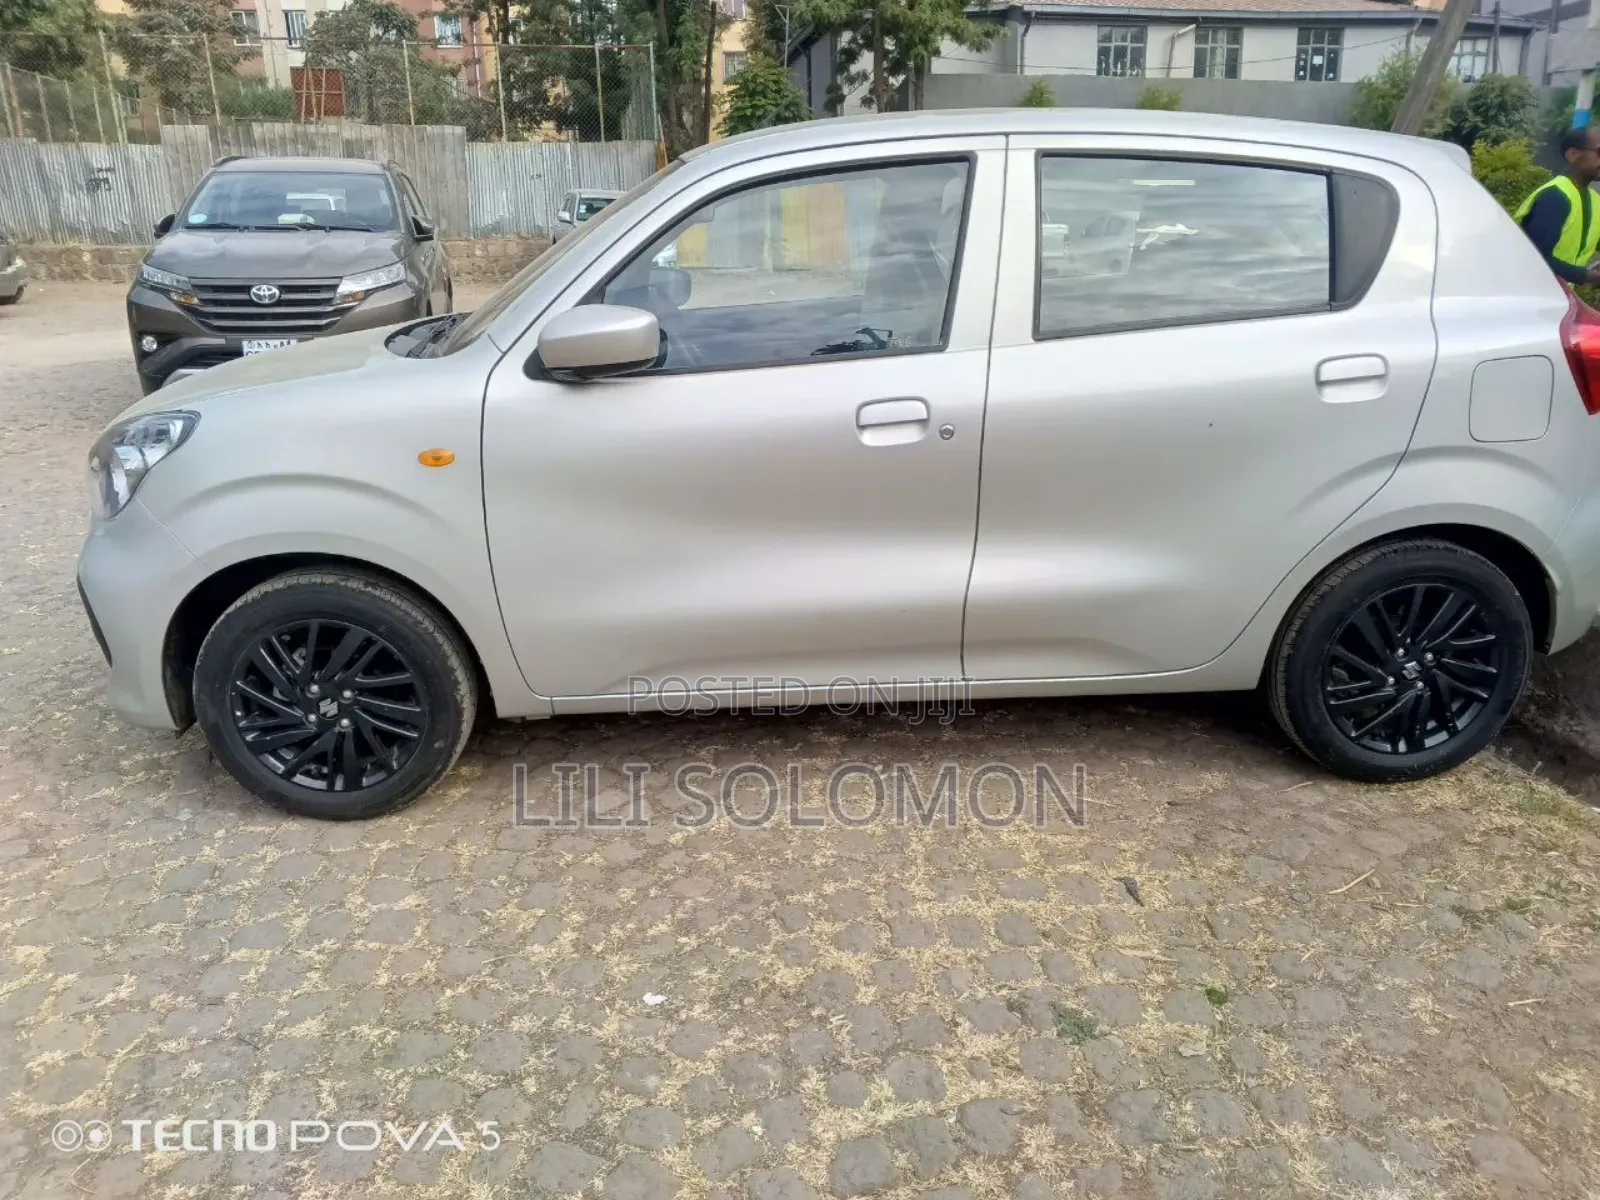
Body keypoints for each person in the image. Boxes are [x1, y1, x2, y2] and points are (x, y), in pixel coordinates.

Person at [1515, 124, 1600, 287]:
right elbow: (1537, 257)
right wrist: (1589, 277)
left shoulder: (1594, 200)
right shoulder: (1554, 197)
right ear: (1573, 154)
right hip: (1529, 293)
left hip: (1559, 297)